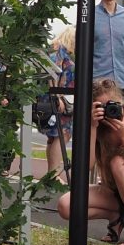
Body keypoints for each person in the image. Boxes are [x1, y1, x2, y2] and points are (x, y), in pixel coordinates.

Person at [55, 77, 124, 245]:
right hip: (113, 190)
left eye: (113, 105)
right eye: (102, 107)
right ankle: (116, 217)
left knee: (118, 162)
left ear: (122, 103)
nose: (110, 111)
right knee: (65, 206)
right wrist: (92, 127)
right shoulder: (96, 127)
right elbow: (86, 167)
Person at [41, 24, 77, 182]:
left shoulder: (54, 52)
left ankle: (51, 174)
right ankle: (54, 173)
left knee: (53, 137)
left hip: (53, 98)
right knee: (61, 135)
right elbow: (54, 77)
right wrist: (57, 97)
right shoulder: (60, 55)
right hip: (59, 101)